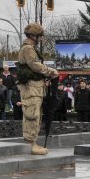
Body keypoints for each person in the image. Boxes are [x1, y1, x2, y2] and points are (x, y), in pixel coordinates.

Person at [16, 22, 59, 155]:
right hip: (30, 88)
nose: (41, 39)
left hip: (35, 88)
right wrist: (51, 71)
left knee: (36, 115)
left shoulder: (31, 48)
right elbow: (35, 65)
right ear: (33, 35)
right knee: (31, 114)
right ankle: (30, 145)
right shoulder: (28, 49)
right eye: (39, 36)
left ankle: (33, 142)